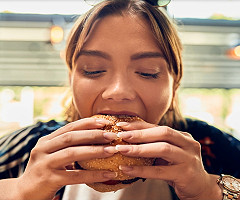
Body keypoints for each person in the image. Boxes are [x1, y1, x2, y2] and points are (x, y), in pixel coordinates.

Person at [0, 0, 240, 200]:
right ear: (71, 78)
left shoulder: (209, 148)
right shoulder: (31, 148)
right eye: (92, 70)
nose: (117, 91)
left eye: (147, 71)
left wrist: (210, 190)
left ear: (174, 83)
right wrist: (18, 190)